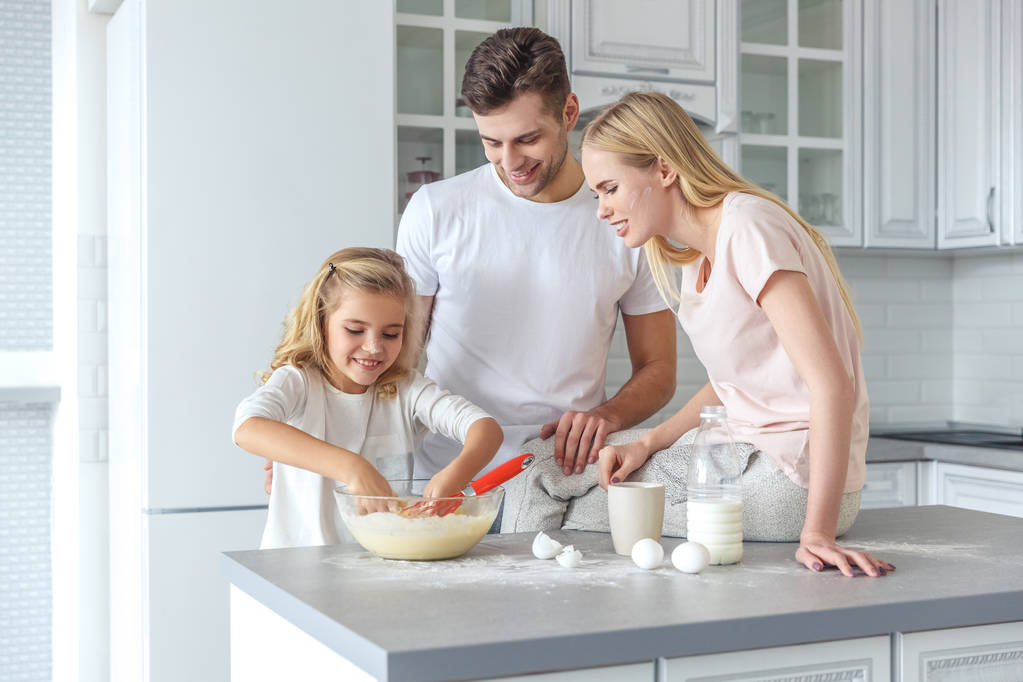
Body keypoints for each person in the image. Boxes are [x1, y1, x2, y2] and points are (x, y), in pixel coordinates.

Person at [582, 91, 894, 578]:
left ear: (663, 169)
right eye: (596, 194)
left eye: (609, 188)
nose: (601, 209)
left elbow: (833, 385)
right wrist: (649, 442)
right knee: (574, 467)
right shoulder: (691, 257)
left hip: (790, 479)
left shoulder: (748, 227)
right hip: (746, 455)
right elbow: (735, 383)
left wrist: (818, 534)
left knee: (583, 501)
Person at [395, 27, 677, 482]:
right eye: (491, 142)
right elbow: (394, 357)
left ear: (568, 112)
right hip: (449, 477)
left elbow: (659, 369)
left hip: (567, 478)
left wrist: (608, 415)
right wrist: (319, 423)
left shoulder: (625, 219)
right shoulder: (435, 211)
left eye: (527, 139)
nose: (509, 162)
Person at [234, 248, 502, 549]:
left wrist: (456, 474)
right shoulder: (299, 381)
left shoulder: (406, 390)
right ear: (322, 323)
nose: (374, 347)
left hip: (375, 570)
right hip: (293, 570)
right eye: (355, 330)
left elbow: (485, 428)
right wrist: (353, 468)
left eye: (390, 335)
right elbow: (247, 428)